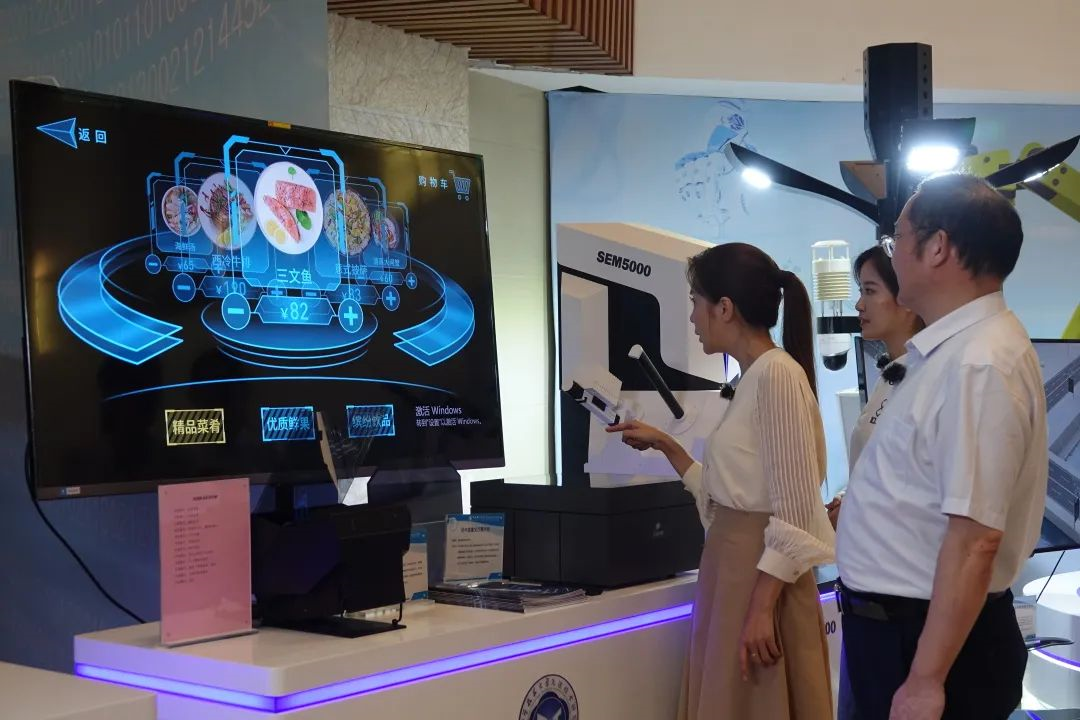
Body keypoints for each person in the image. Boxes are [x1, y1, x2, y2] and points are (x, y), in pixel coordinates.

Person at [836, 172, 1048, 720]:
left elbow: (976, 538)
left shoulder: (979, 363)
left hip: (928, 645)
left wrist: (926, 680)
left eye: (896, 239)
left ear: (937, 248)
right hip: (904, 633)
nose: (893, 254)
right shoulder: (952, 352)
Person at [607, 242, 835, 720]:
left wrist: (761, 607)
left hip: (757, 581)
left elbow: (796, 513)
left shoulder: (776, 376)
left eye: (696, 301)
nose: (693, 317)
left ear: (725, 308)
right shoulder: (755, 377)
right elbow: (732, 498)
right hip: (734, 573)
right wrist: (667, 445)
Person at [828, 244, 924, 720]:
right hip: (868, 594)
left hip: (900, 603)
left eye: (869, 291)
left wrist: (859, 507)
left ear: (905, 299)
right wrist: (850, 499)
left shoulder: (929, 377)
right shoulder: (890, 374)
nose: (858, 304)